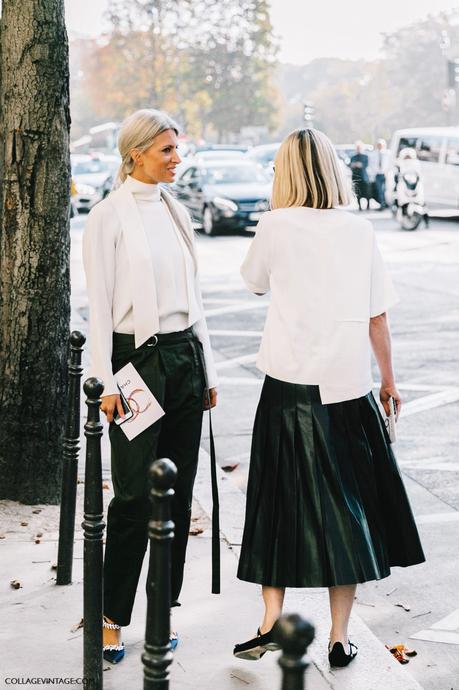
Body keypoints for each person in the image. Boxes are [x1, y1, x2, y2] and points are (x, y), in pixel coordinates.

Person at [233, 128, 425, 668]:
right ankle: (340, 637)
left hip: (288, 386)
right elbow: (377, 315)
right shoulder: (359, 229)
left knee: (276, 502)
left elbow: (252, 281)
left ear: (286, 172)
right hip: (346, 387)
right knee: (347, 508)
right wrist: (388, 382)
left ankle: (270, 622)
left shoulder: (274, 225)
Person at [83, 108, 218, 663]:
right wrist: (106, 379)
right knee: (136, 496)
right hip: (135, 364)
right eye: (166, 150)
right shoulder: (108, 217)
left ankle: (162, 613)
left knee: (179, 494)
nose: (176, 158)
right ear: (136, 152)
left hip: (185, 357)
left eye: (176, 148)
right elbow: (98, 307)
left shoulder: (175, 210)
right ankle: (111, 616)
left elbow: (194, 295)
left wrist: (205, 365)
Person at [394, 147, 430, 227]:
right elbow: (397, 176)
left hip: (415, 186)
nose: (408, 158)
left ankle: (426, 221)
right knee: (401, 202)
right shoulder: (400, 164)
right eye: (406, 156)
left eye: (409, 156)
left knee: (422, 203)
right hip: (404, 187)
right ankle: (402, 219)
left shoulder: (416, 164)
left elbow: (420, 175)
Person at [368, 138, 391, 210]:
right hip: (377, 175)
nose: (379, 146)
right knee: (380, 190)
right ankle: (382, 204)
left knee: (385, 190)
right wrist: (372, 174)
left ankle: (385, 203)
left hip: (385, 174)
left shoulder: (387, 154)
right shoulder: (374, 154)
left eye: (381, 145)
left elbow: (390, 164)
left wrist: (388, 172)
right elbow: (371, 165)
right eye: (378, 145)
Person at [350, 141, 370, 210]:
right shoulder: (353, 157)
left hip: (363, 176)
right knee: (357, 193)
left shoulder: (365, 156)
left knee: (366, 192)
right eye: (357, 148)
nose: (358, 149)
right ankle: (359, 206)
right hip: (355, 177)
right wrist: (353, 165)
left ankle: (368, 205)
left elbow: (366, 165)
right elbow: (350, 165)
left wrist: (360, 165)